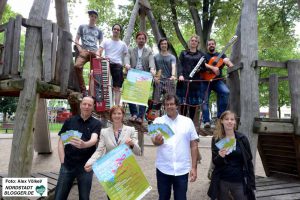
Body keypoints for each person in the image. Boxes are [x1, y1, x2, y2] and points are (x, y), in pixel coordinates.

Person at [151, 94, 199, 200]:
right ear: (164, 106)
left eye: (171, 104)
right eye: (166, 104)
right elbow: (154, 141)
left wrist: (194, 168)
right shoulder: (158, 121)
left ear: (177, 105)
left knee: (181, 198)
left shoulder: (187, 121)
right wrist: (157, 142)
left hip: (182, 169)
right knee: (163, 198)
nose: (169, 106)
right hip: (163, 168)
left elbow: (194, 145)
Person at [55, 96, 102, 200]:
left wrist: (84, 144)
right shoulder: (70, 121)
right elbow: (60, 142)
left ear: (93, 107)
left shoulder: (96, 123)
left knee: (84, 197)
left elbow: (94, 140)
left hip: (86, 167)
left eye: (89, 105)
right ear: (81, 105)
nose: (86, 106)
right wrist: (62, 161)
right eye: (84, 104)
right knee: (59, 197)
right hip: (68, 164)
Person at [207, 110, 256, 200]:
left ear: (235, 122)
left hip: (239, 180)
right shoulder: (216, 139)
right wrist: (220, 156)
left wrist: (252, 184)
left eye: (232, 119)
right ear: (222, 121)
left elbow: (249, 162)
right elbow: (215, 162)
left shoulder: (242, 138)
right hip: (222, 181)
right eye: (226, 119)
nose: (229, 121)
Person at [84, 105, 141, 170]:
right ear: (111, 116)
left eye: (119, 113)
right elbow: (99, 151)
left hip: (127, 169)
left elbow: (138, 152)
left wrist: (132, 144)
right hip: (110, 168)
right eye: (114, 113)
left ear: (123, 115)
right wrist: (90, 162)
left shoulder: (131, 130)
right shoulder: (104, 132)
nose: (117, 116)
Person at [200, 39, 234, 128]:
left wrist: (229, 63)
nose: (211, 45)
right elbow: (202, 64)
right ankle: (206, 121)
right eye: (209, 44)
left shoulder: (221, 55)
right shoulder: (204, 55)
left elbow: (227, 61)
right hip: (205, 80)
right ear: (207, 46)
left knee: (226, 92)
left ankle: (220, 118)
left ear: (215, 45)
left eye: (212, 44)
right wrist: (213, 68)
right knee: (204, 100)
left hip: (217, 80)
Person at [124, 32, 156, 124]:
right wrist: (127, 64)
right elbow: (127, 57)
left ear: (145, 40)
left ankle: (140, 116)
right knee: (130, 95)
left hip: (144, 76)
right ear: (136, 40)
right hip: (133, 74)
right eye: (139, 38)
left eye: (143, 39)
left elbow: (151, 60)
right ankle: (134, 114)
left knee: (143, 96)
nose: (141, 40)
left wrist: (152, 69)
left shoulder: (149, 51)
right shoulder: (131, 50)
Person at [176, 34, 206, 120]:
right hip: (183, 81)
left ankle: (190, 122)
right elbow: (179, 65)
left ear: (198, 43)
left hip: (195, 83)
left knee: (193, 105)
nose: (193, 42)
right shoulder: (183, 53)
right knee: (183, 104)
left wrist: (199, 69)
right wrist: (180, 75)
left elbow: (204, 67)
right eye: (192, 40)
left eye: (195, 41)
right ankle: (182, 121)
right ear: (189, 42)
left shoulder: (201, 55)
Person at [74, 10, 103, 96]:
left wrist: (99, 53)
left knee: (95, 72)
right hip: (84, 51)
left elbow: (101, 44)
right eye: (92, 16)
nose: (93, 18)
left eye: (95, 17)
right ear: (89, 16)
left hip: (94, 51)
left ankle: (93, 93)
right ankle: (83, 90)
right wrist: (79, 49)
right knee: (77, 66)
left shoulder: (99, 31)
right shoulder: (82, 27)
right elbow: (76, 39)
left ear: (96, 19)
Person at [98, 24, 128, 105]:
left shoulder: (123, 44)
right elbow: (99, 51)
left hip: (117, 65)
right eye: (115, 29)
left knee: (117, 87)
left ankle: (117, 107)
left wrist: (127, 64)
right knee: (104, 85)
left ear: (120, 32)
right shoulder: (106, 41)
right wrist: (98, 56)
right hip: (106, 63)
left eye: (118, 30)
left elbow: (126, 56)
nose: (116, 30)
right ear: (112, 30)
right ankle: (104, 106)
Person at [153, 38, 176, 106]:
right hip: (158, 81)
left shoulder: (172, 57)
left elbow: (173, 66)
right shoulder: (155, 57)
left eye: (165, 44)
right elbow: (153, 68)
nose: (163, 45)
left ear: (167, 45)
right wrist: (154, 77)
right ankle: (155, 115)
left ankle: (169, 116)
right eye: (162, 44)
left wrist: (173, 75)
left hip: (169, 81)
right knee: (155, 102)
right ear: (159, 45)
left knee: (170, 102)